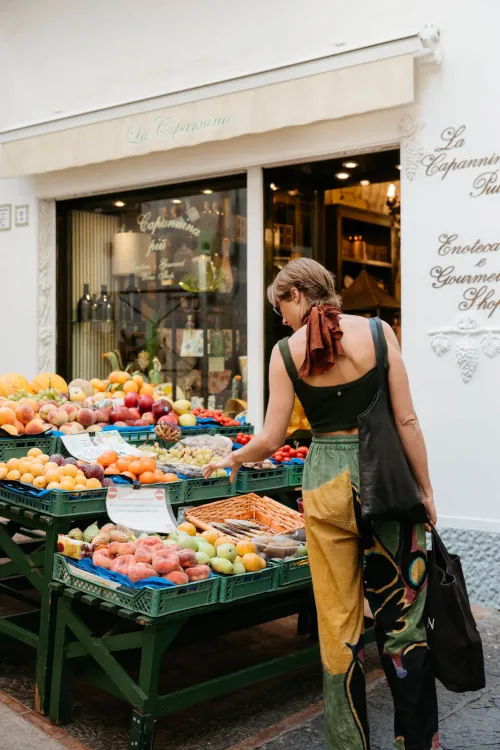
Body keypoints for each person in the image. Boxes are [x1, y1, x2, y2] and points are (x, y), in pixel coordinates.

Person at [204, 257, 439, 750]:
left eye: (280, 307)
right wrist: (427, 490)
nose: (282, 319)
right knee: (405, 617)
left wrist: (231, 458)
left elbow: (270, 439)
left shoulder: (284, 353)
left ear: (295, 295)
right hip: (389, 481)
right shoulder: (379, 333)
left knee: (338, 626)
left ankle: (347, 744)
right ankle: (417, 743)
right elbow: (408, 422)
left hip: (326, 483)